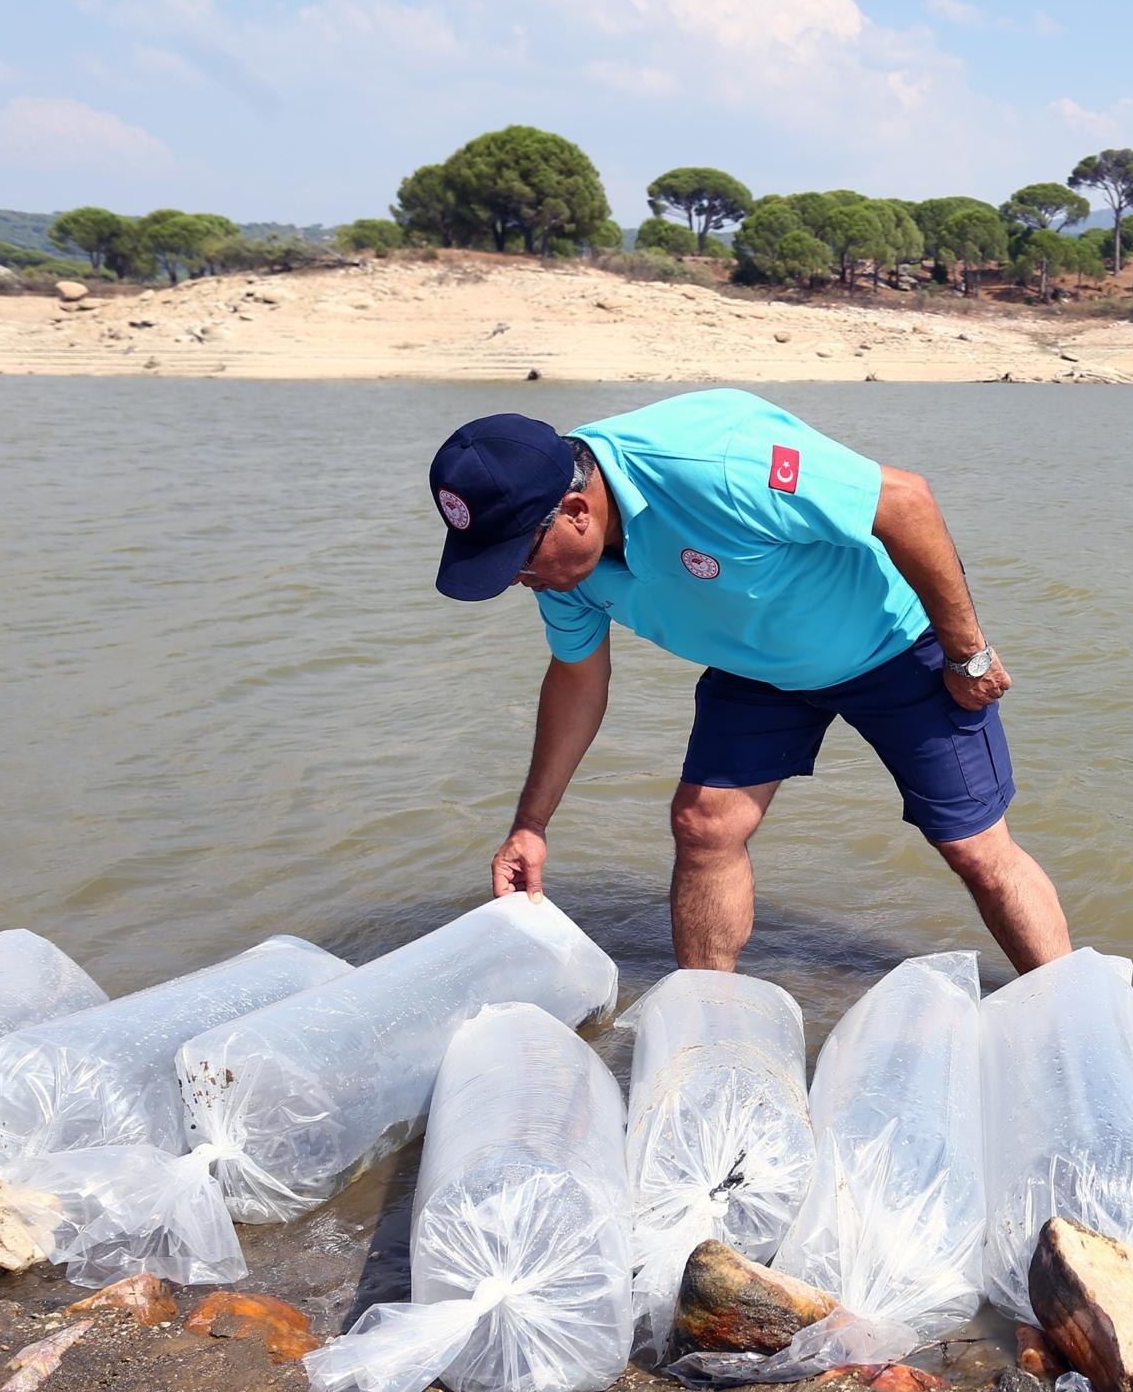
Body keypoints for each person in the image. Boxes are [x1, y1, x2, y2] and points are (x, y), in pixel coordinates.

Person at [427, 390, 1071, 973]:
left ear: (573, 510)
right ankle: (709, 1030)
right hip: (755, 664)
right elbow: (577, 678)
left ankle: (1077, 1020)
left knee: (976, 849)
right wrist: (531, 824)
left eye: (516, 559)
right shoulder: (561, 567)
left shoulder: (720, 462)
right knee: (704, 826)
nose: (517, 579)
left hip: (892, 641)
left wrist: (967, 654)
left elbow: (905, 501)